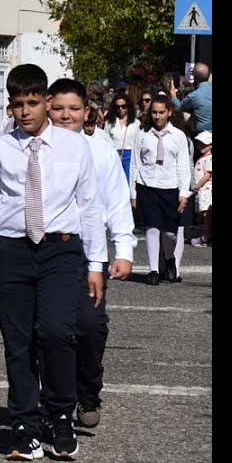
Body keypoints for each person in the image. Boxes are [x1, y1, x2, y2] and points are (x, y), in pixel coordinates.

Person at [0, 64, 105, 462]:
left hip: (61, 249)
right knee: (18, 342)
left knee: (58, 332)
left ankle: (60, 414)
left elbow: (90, 206)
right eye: (17, 104)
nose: (25, 111)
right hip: (12, 251)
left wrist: (97, 263)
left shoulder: (75, 147)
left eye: (32, 102)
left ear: (46, 101)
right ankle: (25, 425)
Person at [44, 79, 135, 430]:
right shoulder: (35, 149)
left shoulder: (101, 153)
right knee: (48, 330)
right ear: (48, 108)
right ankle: (53, 396)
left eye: (74, 109)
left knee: (90, 325)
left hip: (88, 253)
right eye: (59, 108)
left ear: (87, 112)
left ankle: (88, 390)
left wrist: (124, 250)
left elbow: (115, 202)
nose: (66, 115)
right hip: (48, 251)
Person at [130, 95, 193, 284]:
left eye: (161, 112)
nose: (158, 117)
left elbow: (183, 166)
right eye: (154, 113)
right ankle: (153, 271)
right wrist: (133, 193)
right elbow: (135, 164)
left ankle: (169, 259)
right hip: (147, 185)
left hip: (170, 187)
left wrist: (183, 193)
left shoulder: (178, 136)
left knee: (169, 233)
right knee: (152, 227)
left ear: (169, 113)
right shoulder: (142, 134)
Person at [104, 94, 138, 184]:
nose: (120, 109)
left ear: (128, 107)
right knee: (114, 182)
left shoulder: (136, 123)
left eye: (123, 106)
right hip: (114, 155)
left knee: (128, 182)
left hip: (130, 156)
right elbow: (106, 141)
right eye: (118, 106)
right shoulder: (109, 123)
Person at [169, 63, 212, 133]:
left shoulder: (194, 96)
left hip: (203, 137)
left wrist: (173, 95)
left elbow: (179, 108)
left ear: (194, 76)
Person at [190, 131, 212, 248]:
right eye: (199, 144)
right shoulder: (201, 158)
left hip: (207, 190)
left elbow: (207, 175)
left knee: (207, 214)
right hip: (201, 191)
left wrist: (198, 186)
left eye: (204, 144)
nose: (200, 146)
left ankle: (206, 237)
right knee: (203, 214)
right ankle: (205, 234)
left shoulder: (209, 159)